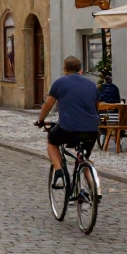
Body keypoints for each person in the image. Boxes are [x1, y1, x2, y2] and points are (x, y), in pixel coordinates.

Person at [34, 57, 102, 186]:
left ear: (65, 69)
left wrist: (40, 120)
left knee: (52, 141)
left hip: (68, 128)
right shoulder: (92, 84)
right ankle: (94, 189)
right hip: (92, 130)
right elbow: (96, 106)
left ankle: (58, 171)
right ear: (80, 70)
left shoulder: (60, 82)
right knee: (83, 158)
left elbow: (48, 104)